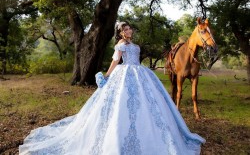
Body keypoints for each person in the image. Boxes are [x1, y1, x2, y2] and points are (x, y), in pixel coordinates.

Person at [19, 21, 205, 155]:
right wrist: (107, 76)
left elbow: (134, 59)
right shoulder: (121, 45)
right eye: (125, 29)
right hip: (124, 73)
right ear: (121, 32)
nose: (129, 30)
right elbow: (116, 61)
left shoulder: (133, 44)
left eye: (130, 28)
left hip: (140, 73)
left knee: (147, 103)